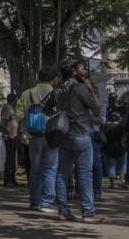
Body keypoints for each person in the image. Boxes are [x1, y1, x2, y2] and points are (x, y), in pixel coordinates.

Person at [51, 59, 103, 223]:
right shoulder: (79, 87)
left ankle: (63, 211)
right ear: (74, 70)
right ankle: (88, 213)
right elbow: (96, 107)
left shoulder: (59, 89)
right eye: (82, 68)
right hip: (80, 133)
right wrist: (89, 87)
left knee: (62, 174)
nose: (85, 70)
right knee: (84, 175)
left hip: (63, 134)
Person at [16, 68, 57, 211]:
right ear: (53, 80)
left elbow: (19, 115)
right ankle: (47, 202)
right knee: (50, 169)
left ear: (38, 78)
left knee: (35, 168)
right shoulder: (56, 93)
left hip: (34, 135)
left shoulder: (27, 93)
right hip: (53, 135)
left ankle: (34, 201)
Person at [102, 112, 127, 190]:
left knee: (111, 166)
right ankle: (120, 182)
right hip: (121, 147)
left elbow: (102, 135)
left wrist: (105, 143)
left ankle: (112, 184)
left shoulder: (105, 125)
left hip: (109, 148)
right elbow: (125, 135)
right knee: (122, 165)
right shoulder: (122, 126)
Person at [1, 93, 19, 186]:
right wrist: (10, 134)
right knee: (9, 158)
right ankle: (7, 180)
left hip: (14, 136)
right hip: (9, 137)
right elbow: (3, 123)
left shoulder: (12, 109)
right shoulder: (8, 108)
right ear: (13, 100)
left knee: (12, 159)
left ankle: (12, 179)